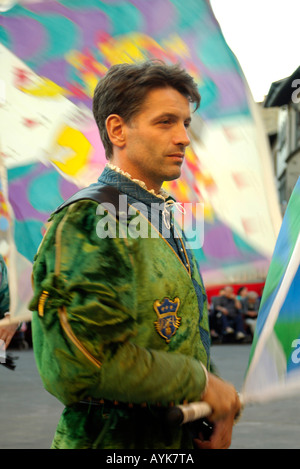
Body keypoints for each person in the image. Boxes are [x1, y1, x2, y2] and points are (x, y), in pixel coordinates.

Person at [29, 60, 241, 450]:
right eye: (165, 122)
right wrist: (201, 383)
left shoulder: (161, 213)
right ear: (117, 129)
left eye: (186, 123)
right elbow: (77, 363)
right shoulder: (89, 218)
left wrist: (211, 406)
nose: (183, 138)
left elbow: (177, 335)